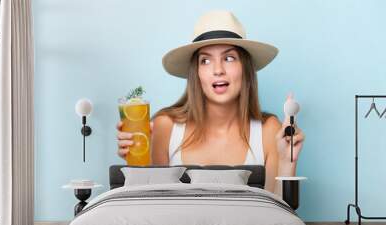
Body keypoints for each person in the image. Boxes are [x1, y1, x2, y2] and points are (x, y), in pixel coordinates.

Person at [116, 10, 305, 196]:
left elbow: (278, 215)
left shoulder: (268, 130)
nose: (217, 70)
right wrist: (137, 166)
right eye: (205, 60)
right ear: (196, 72)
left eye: (229, 58)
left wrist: (286, 162)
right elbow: (149, 210)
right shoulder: (164, 126)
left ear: (245, 68)